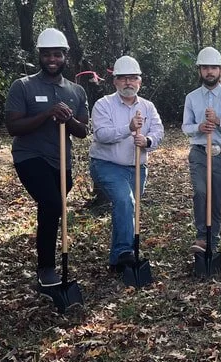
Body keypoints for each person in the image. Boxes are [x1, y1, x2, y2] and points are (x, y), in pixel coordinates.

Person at [4, 28, 90, 287]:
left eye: (57, 54)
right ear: (39, 56)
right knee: (52, 204)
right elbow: (13, 127)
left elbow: (83, 131)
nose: (52, 59)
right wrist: (47, 114)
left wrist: (68, 119)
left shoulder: (76, 91)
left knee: (51, 210)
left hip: (60, 160)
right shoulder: (23, 86)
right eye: (47, 54)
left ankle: (47, 266)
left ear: (65, 56)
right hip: (29, 156)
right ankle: (46, 268)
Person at [88, 56, 164, 272]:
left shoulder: (148, 107)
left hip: (138, 167)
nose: (128, 83)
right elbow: (101, 134)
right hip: (107, 165)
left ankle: (117, 260)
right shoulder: (103, 105)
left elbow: (158, 131)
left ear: (140, 81)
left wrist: (147, 141)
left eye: (133, 78)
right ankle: (125, 253)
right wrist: (129, 128)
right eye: (123, 79)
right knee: (124, 201)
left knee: (127, 207)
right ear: (115, 81)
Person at [182, 47, 221, 254]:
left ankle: (213, 240)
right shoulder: (191, 98)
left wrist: (218, 121)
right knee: (201, 192)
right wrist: (199, 127)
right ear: (199, 70)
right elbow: (185, 127)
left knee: (217, 197)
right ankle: (201, 238)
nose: (210, 71)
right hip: (199, 152)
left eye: (214, 67)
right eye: (205, 67)